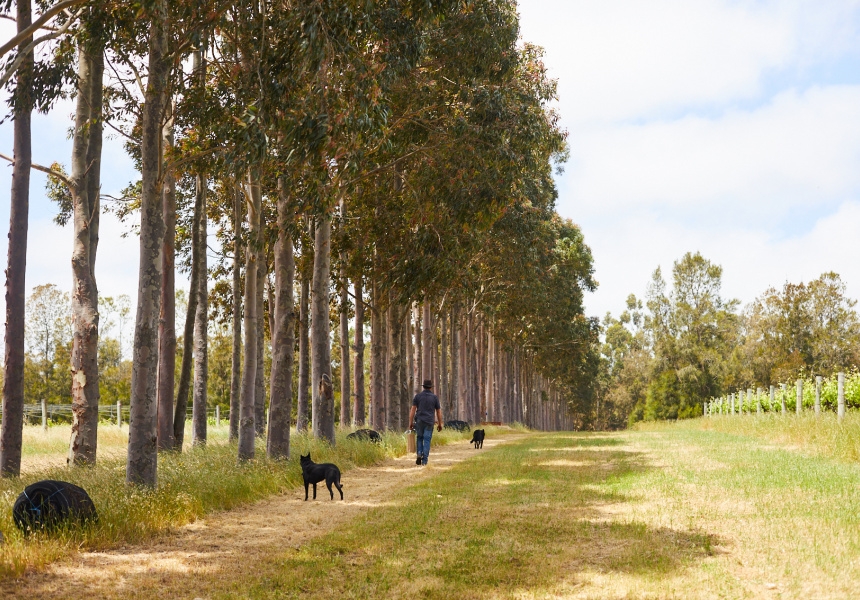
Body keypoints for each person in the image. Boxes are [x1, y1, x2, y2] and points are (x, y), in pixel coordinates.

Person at [409, 379, 442, 466]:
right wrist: (440, 424)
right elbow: (438, 412)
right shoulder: (434, 398)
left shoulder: (418, 396)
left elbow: (413, 410)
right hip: (429, 422)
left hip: (419, 420)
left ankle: (419, 453)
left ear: (423, 387)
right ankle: (424, 461)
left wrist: (410, 422)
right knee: (427, 440)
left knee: (419, 438)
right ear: (431, 387)